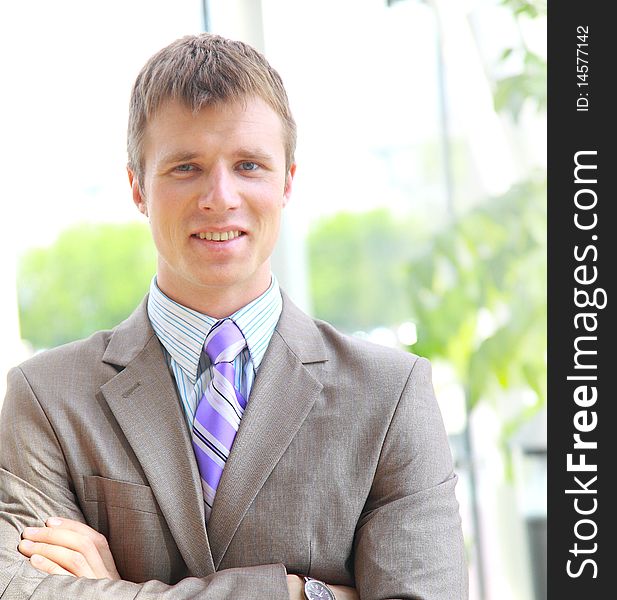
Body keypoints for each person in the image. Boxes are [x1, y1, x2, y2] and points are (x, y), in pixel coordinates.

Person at [0, 33, 468, 599]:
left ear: (287, 181)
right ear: (136, 188)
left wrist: (115, 591)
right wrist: (301, 594)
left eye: (248, 165)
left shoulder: (391, 395)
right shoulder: (47, 398)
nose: (220, 197)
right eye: (185, 168)